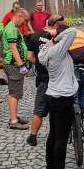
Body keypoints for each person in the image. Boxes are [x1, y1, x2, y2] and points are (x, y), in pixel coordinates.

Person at [38, 20, 80, 169]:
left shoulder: (45, 50)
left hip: (52, 95)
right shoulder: (58, 49)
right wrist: (57, 38)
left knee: (53, 135)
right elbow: (73, 32)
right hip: (63, 98)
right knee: (61, 138)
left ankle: (50, 168)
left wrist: (52, 38)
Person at [27, 15, 59, 147]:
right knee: (57, 110)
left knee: (39, 110)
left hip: (43, 78)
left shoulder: (35, 36)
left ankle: (33, 136)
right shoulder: (60, 37)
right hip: (58, 78)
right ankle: (57, 135)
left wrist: (39, 65)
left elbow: (29, 56)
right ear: (56, 26)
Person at [2, 7, 30, 130]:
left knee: (15, 92)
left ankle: (14, 116)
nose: (24, 23)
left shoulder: (13, 27)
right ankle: (13, 121)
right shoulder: (12, 28)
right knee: (14, 93)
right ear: (19, 16)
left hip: (14, 64)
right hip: (13, 65)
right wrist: (21, 65)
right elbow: (13, 48)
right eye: (24, 20)